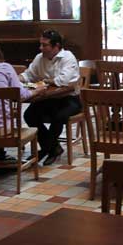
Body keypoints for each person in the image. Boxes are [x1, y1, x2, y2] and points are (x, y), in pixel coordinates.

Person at [20, 30, 81, 166]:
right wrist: (18, 79)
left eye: (45, 45)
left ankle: (45, 150)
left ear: (56, 46)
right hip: (49, 98)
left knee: (58, 117)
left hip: (70, 99)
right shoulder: (39, 58)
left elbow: (63, 81)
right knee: (29, 115)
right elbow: (29, 74)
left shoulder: (67, 57)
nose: (41, 48)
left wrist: (45, 81)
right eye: (40, 44)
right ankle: (53, 148)